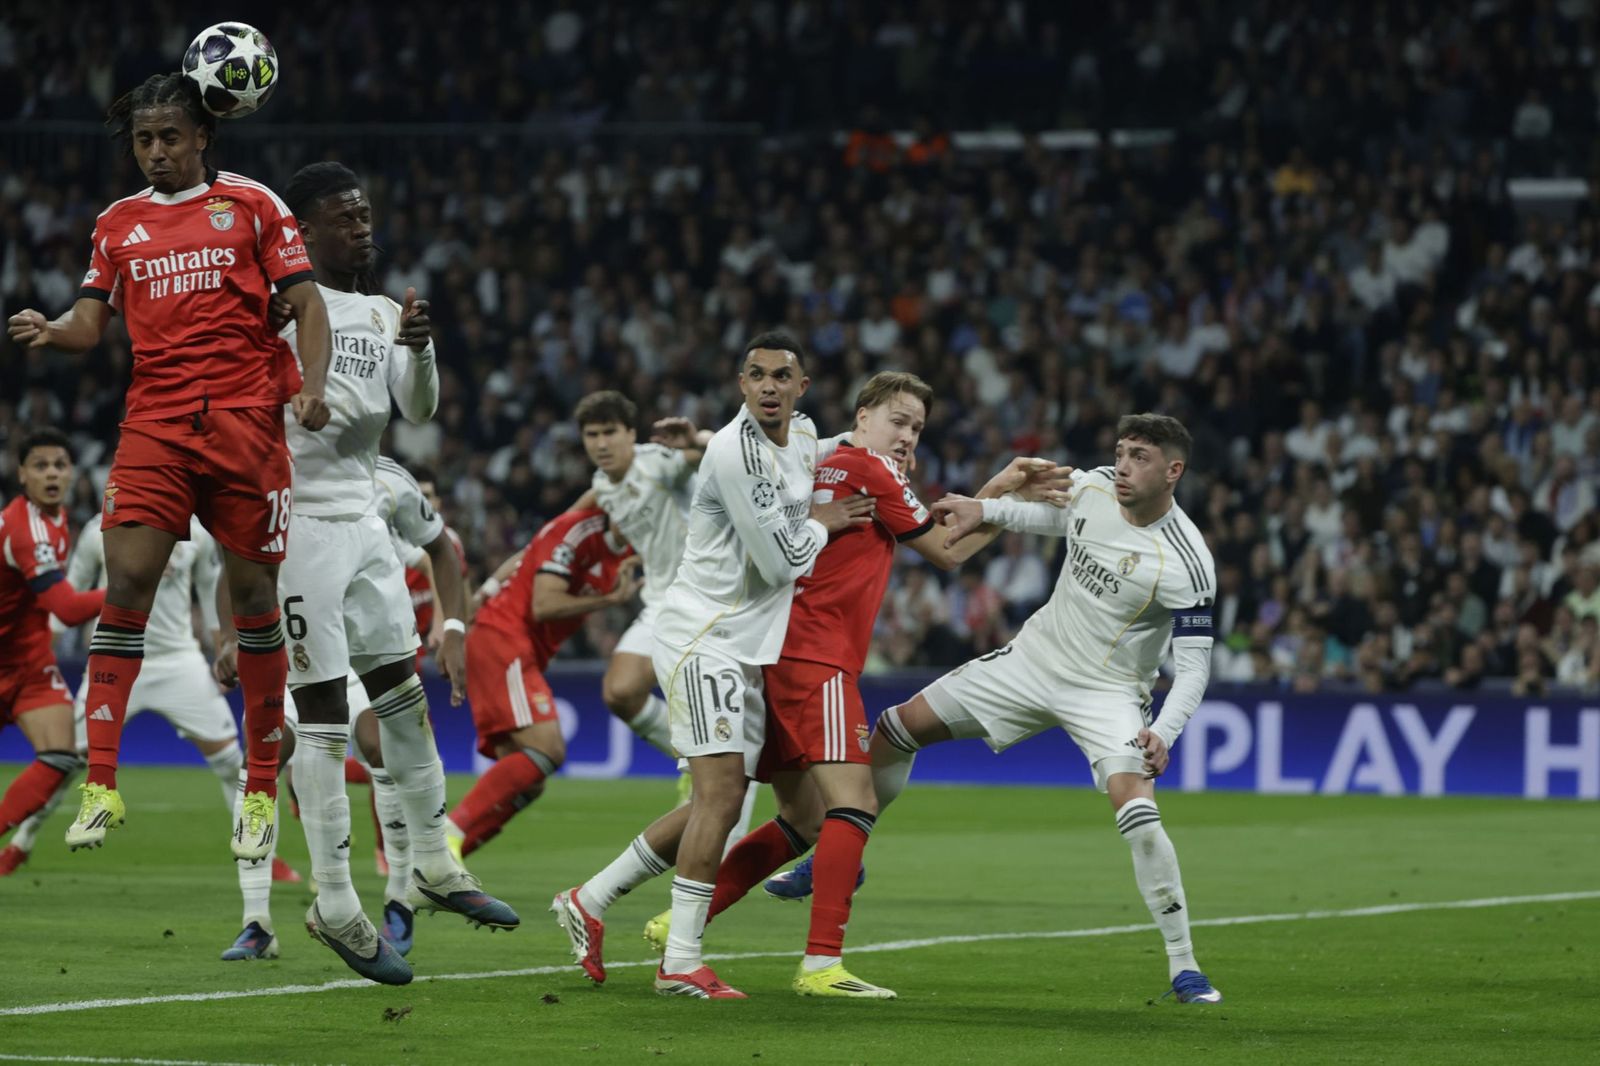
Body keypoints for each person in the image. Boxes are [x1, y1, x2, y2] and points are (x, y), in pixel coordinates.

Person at [560, 372, 1070, 997]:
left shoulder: (827, 461)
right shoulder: (870, 471)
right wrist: (1010, 503)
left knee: (778, 813)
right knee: (854, 802)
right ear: (863, 417)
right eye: (898, 421)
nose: (908, 436)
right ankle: (821, 964)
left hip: (771, 652)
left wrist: (996, 492)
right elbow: (948, 551)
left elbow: (925, 524)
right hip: (814, 656)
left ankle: (634, 908)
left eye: (917, 428)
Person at [5, 73, 333, 857]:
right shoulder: (117, 224)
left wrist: (312, 388)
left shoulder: (254, 205)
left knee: (253, 598)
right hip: (154, 423)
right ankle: (103, 786)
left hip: (246, 420)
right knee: (126, 586)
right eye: (144, 140)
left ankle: (259, 791)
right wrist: (53, 330)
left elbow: (308, 304)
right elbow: (92, 322)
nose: (155, 152)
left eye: (170, 138)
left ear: (202, 137)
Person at [255, 161, 514, 986]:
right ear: (302, 230)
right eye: (343, 215)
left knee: (401, 694)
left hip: (366, 515)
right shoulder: (279, 308)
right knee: (325, 711)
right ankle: (335, 901)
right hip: (300, 523)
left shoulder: (375, 306)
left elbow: (418, 409)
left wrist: (420, 350)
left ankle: (436, 863)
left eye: (365, 213)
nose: (362, 226)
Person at [555, 331, 873, 1000]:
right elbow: (782, 559)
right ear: (740, 383)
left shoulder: (805, 436)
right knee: (722, 796)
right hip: (705, 638)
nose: (767, 386)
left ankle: (590, 898)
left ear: (800, 388)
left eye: (781, 376)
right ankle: (680, 961)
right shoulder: (738, 452)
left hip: (752, 646)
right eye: (755, 374)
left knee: (778, 807)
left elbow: (823, 451)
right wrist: (827, 519)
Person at [875, 413, 1224, 1004]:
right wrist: (986, 510)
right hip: (1031, 661)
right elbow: (1058, 520)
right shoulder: (1094, 487)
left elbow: (1192, 667)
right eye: (1121, 450)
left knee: (1136, 808)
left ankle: (1184, 965)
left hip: (1107, 692)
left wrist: (1164, 731)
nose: (1123, 464)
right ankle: (841, 852)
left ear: (1174, 470)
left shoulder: (1188, 562)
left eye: (1140, 455)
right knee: (892, 730)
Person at [445, 505, 641, 858]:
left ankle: (436, 867)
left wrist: (484, 590)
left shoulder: (623, 554)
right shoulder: (580, 530)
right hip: (503, 637)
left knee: (529, 783)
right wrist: (609, 599)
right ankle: (449, 831)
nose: (634, 513)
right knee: (548, 749)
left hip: (518, 647)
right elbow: (543, 605)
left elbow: (529, 551)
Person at [571, 390, 697, 758]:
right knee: (620, 691)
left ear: (631, 433)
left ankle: (716, 773)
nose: (601, 443)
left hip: (704, 598)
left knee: (700, 702)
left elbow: (698, 459)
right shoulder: (602, 486)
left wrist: (698, 443)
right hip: (661, 600)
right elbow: (559, 530)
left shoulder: (657, 464)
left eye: (610, 432)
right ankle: (694, 761)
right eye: (592, 435)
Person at [0, 430, 105, 844]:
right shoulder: (27, 531)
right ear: (22, 474)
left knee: (61, 754)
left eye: (59, 465)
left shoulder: (57, 520)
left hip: (27, 664)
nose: (51, 474)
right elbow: (66, 608)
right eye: (40, 465)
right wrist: (128, 591)